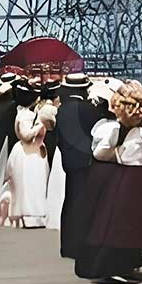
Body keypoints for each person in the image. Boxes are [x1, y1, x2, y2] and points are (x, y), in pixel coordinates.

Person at [74, 80, 142, 284]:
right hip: (132, 180)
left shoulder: (124, 130)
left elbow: (98, 152)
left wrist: (118, 154)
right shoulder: (129, 131)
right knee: (124, 225)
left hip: (126, 180)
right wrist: (118, 153)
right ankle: (117, 266)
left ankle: (125, 264)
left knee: (125, 224)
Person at [54, 73, 101, 258]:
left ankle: (67, 245)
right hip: (88, 161)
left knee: (70, 201)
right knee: (86, 205)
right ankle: (82, 245)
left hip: (69, 161)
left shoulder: (61, 110)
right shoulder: (90, 109)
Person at [3, 95, 56, 228]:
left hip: (37, 153)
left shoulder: (33, 118)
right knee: (27, 183)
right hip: (28, 154)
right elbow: (26, 136)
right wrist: (39, 127)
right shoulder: (26, 118)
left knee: (37, 184)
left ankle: (37, 216)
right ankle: (26, 215)